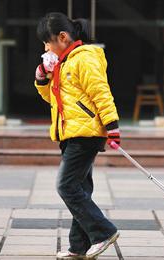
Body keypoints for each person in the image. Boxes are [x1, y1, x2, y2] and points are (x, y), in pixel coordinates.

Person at [34, 12, 121, 260]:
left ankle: (103, 232)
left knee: (66, 186)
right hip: (70, 133)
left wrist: (112, 126)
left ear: (62, 37)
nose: (46, 48)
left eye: (47, 43)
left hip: (86, 133)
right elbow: (53, 99)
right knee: (81, 188)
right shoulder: (63, 63)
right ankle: (78, 247)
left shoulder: (85, 59)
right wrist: (43, 76)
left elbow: (101, 93)